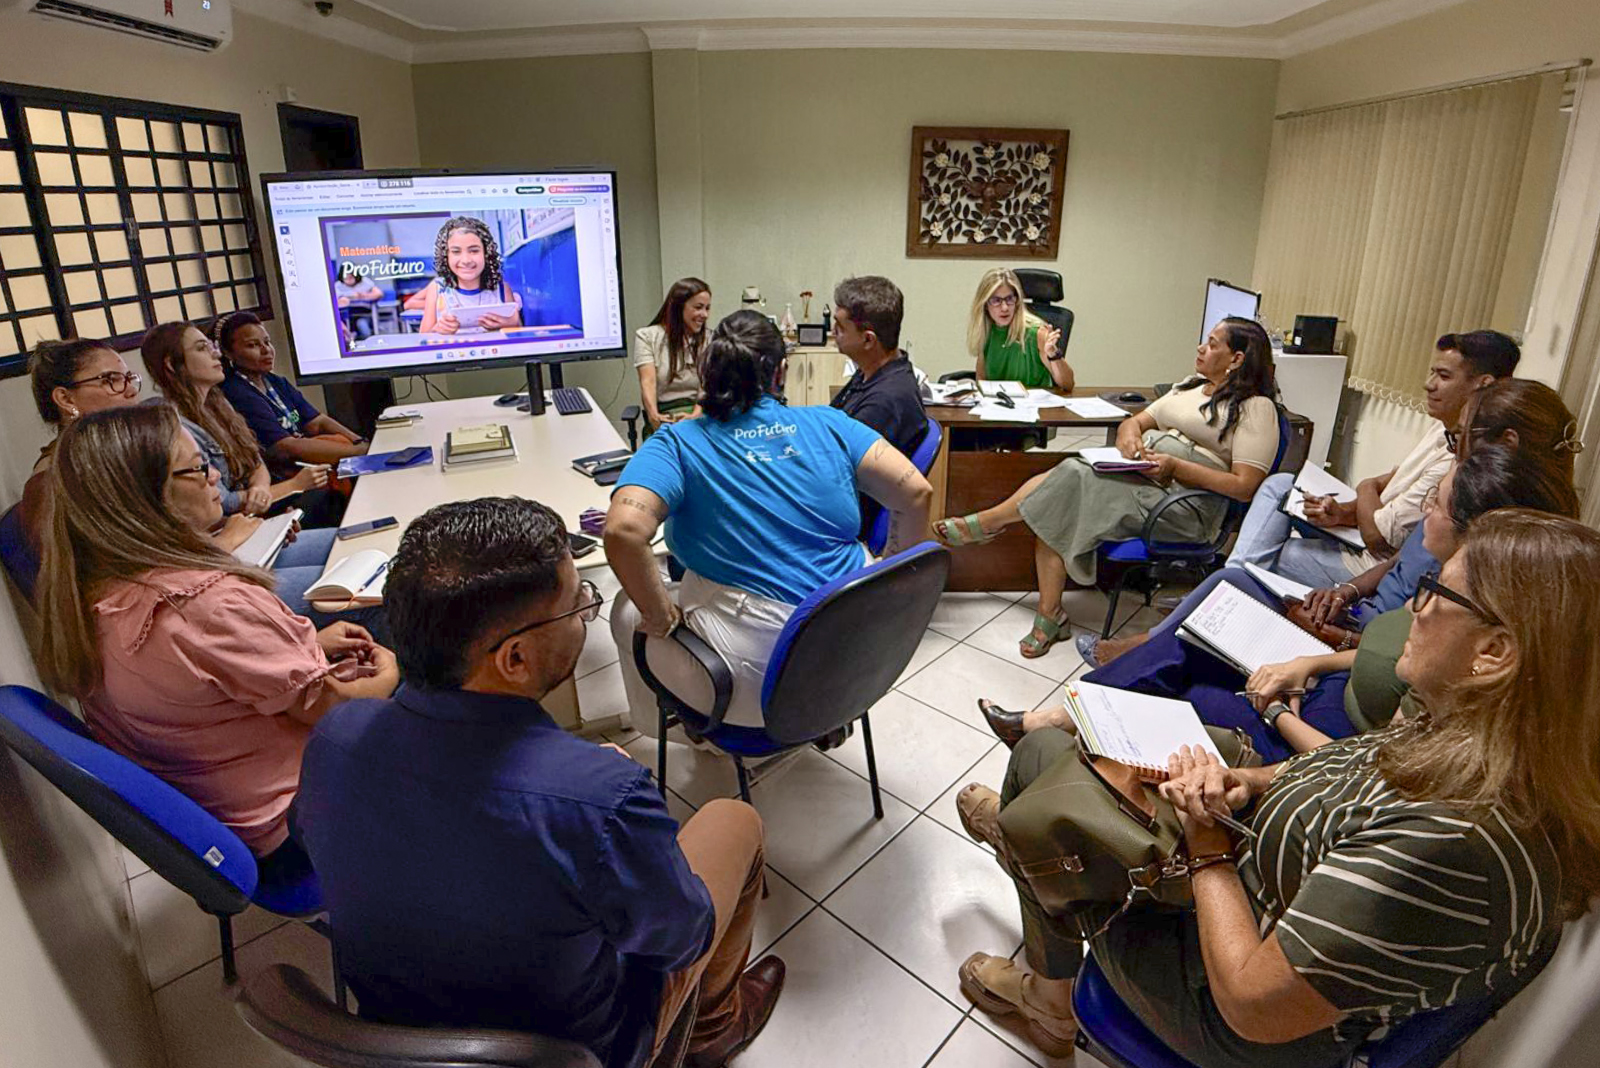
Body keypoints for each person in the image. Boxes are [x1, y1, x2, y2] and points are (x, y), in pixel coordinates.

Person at [954, 507, 1600, 1065]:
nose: (1414, 609)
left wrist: (1207, 846)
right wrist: (1250, 778)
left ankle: (1047, 994)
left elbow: (1252, 1007)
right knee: (1079, 765)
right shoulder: (1464, 731)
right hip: (1252, 877)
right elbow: (1350, 771)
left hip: (1223, 1002)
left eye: (1434, 592)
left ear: (1494, 653)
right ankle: (1032, 836)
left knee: (1038, 766)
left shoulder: (1454, 842)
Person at [293, 497, 784, 1068]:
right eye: (578, 605)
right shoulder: (603, 797)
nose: (585, 613)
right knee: (735, 820)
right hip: (573, 1048)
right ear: (515, 659)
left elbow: (312, 841)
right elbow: (682, 938)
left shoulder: (335, 735)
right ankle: (714, 1030)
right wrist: (612, 809)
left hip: (396, 1030)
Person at [985, 438, 1580, 763]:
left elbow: (1368, 765)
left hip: (1329, 725)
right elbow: (1384, 644)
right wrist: (1310, 661)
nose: (1423, 510)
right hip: (1326, 681)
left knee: (1191, 680)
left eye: (1436, 504)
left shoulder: (1462, 621)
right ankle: (1062, 720)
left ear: (1477, 527)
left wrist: (1277, 712)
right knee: (1202, 630)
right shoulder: (1445, 580)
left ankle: (1067, 736)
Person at [33, 403, 399, 874]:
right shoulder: (209, 603)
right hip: (303, 819)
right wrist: (390, 674)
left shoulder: (88, 592)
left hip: (228, 808)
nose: (215, 479)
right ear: (147, 497)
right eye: (197, 468)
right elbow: (333, 706)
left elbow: (204, 677)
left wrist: (306, 649)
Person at [606, 311, 934, 737]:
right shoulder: (830, 422)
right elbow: (915, 492)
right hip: (861, 655)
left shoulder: (677, 443)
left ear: (707, 372)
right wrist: (887, 580)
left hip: (760, 686)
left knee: (626, 608)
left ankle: (679, 735)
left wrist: (661, 617)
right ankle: (823, 718)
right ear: (780, 371)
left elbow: (623, 532)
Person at [936, 318, 1280, 658]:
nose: (1201, 348)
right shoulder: (1191, 387)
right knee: (1067, 482)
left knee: (1066, 484)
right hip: (1147, 479)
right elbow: (1137, 420)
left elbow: (1245, 486)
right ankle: (1046, 609)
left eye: (1213, 344)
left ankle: (992, 529)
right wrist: (1129, 435)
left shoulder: (1256, 408)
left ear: (1237, 359)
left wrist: (1177, 466)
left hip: (1185, 507)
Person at [1227, 330, 1517, 588]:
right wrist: (1343, 511)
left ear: (1482, 385)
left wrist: (1366, 485)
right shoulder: (1442, 426)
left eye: (1443, 376)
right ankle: (1228, 587)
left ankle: (1225, 591)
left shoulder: (1461, 458)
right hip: (1362, 532)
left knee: (1266, 551)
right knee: (1280, 485)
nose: (1428, 385)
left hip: (1370, 563)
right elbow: (1392, 483)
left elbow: (1379, 535)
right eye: (1432, 373)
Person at [141, 322, 337, 527]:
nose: (216, 354)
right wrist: (294, 485)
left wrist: (260, 488)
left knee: (327, 496)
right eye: (201, 348)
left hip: (253, 511)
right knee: (324, 500)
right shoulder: (176, 426)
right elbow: (223, 501)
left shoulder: (218, 403)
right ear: (171, 364)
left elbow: (255, 460)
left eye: (212, 346)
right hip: (230, 526)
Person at [6, 339, 143, 600]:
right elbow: (94, 587)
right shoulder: (51, 484)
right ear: (66, 399)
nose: (130, 391)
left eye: (129, 378)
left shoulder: (119, 453)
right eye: (111, 380)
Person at [828, 275, 928, 538]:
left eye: (840, 327)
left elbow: (837, 471)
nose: (833, 332)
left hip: (845, 519)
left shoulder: (887, 401)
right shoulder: (872, 372)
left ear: (868, 340)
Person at [216, 311, 369, 476]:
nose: (266, 350)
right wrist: (359, 453)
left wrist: (358, 441)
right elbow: (285, 447)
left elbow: (317, 422)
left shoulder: (276, 382)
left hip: (308, 465)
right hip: (283, 475)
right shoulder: (237, 392)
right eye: (253, 345)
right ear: (228, 353)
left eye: (267, 342)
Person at [416, 215, 523, 335]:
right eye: (456, 252)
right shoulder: (437, 289)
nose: (466, 260)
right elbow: (423, 337)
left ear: (486, 253)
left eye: (474, 251)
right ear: (446, 256)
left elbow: (518, 330)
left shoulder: (502, 289)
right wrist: (437, 330)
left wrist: (509, 325)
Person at [969, 267, 1071, 391]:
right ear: (985, 304)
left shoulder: (1037, 333)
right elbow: (981, 380)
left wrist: (1053, 354)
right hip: (999, 401)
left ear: (1017, 300)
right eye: (996, 300)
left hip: (1034, 402)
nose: (1005, 308)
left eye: (1009, 299)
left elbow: (1068, 384)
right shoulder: (986, 331)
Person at [635, 277, 711, 433]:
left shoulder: (709, 339)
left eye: (707, 308)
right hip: (665, 415)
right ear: (678, 307)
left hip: (701, 414)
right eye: (698, 307)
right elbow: (648, 381)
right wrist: (654, 417)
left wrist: (696, 414)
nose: (704, 314)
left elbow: (707, 383)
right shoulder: (647, 337)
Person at [334, 267, 383, 340]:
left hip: (364, 313)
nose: (349, 280)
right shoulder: (337, 286)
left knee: (363, 328)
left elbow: (379, 294)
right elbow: (336, 301)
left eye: (351, 277)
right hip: (345, 316)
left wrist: (363, 295)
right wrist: (348, 297)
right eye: (346, 277)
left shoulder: (365, 282)